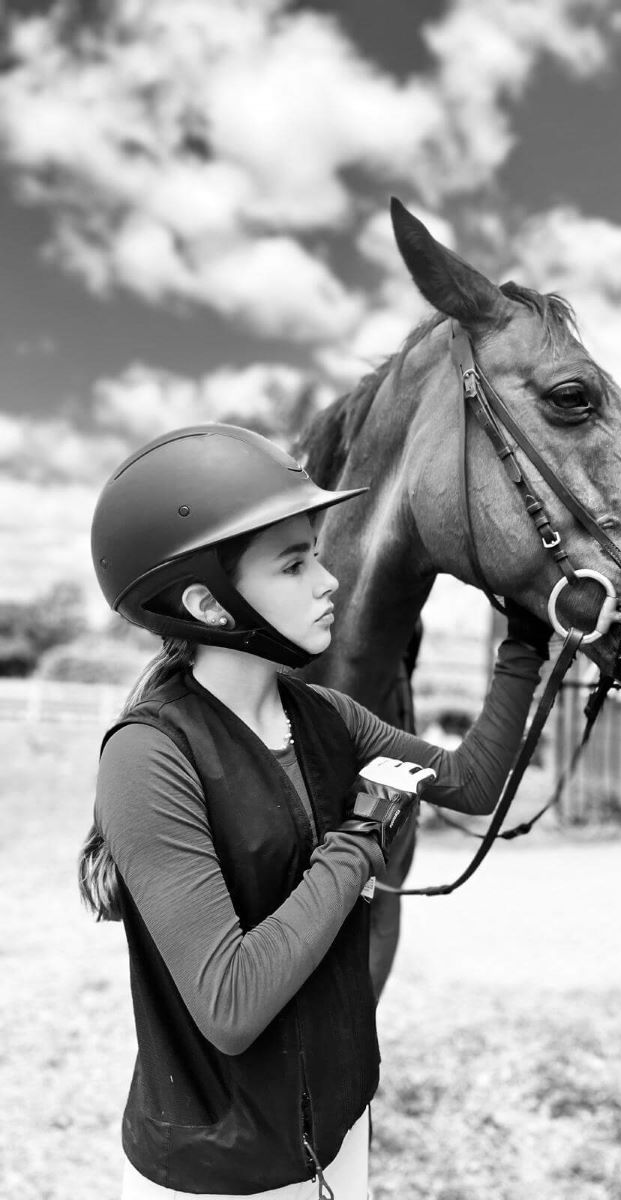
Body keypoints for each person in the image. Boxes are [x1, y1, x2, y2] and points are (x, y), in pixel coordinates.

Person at [78, 423, 550, 1200]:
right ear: (208, 602)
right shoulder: (148, 756)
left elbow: (469, 783)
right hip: (220, 1174)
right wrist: (361, 834)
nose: (329, 581)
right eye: (295, 564)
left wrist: (524, 644)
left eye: (318, 554)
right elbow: (230, 1003)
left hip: (338, 1130)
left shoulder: (329, 715)